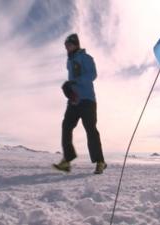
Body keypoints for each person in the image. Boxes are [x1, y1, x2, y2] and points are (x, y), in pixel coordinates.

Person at [53, 33, 107, 174]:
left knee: (90, 129)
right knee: (66, 126)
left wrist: (75, 81)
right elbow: (73, 80)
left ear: (76, 44)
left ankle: (100, 161)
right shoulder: (69, 62)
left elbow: (92, 75)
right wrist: (69, 88)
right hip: (74, 101)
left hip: (88, 100)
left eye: (69, 45)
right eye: (65, 46)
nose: (67, 48)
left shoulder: (86, 58)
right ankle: (67, 160)